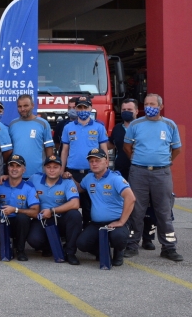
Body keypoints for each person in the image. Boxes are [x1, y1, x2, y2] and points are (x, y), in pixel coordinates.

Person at [123, 93, 183, 262]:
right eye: (147, 103)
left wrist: (165, 161)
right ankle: (132, 245)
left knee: (164, 211)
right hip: (139, 172)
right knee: (136, 210)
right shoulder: (136, 124)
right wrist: (137, 160)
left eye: (152, 104)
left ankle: (169, 248)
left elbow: (177, 149)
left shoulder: (169, 125)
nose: (149, 106)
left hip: (161, 173)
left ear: (160, 106)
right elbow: (127, 146)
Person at [109, 99, 156, 250]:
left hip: (142, 173)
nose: (126, 112)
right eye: (123, 109)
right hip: (122, 173)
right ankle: (129, 238)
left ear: (137, 111)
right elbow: (110, 145)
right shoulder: (117, 128)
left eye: (129, 109)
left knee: (146, 206)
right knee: (127, 205)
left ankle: (148, 238)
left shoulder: (144, 127)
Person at [76, 149, 135, 267]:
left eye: (97, 161)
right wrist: (68, 177)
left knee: (118, 237)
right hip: (97, 223)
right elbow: (78, 189)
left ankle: (119, 252)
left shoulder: (116, 178)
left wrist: (121, 221)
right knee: (82, 244)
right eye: (91, 161)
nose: (94, 163)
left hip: (116, 222)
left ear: (107, 163)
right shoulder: (88, 178)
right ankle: (103, 251)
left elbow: (131, 198)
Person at [27, 154, 83, 265]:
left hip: (61, 218)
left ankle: (70, 252)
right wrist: (6, 178)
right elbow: (20, 186)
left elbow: (75, 203)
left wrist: (52, 211)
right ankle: (48, 247)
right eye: (49, 167)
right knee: (34, 240)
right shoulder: (35, 178)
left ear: (61, 169)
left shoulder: (67, 182)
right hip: (42, 219)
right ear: (44, 168)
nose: (52, 170)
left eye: (55, 167)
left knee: (75, 215)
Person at [61, 96, 108, 227]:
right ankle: (69, 234)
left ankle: (89, 233)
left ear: (91, 108)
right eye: (80, 107)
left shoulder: (99, 127)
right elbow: (65, 150)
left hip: (92, 172)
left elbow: (104, 150)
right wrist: (62, 170)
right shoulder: (68, 127)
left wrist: (105, 169)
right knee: (71, 205)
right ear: (75, 109)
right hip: (72, 172)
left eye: (85, 107)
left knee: (90, 205)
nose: (82, 110)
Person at [0, 155, 40, 261]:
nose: (14, 169)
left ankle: (20, 250)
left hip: (18, 225)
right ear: (7, 168)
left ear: (23, 170)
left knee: (23, 218)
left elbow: (35, 212)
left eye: (18, 166)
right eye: (11, 165)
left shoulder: (29, 187)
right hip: (1, 222)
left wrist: (15, 210)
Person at [8, 94, 55, 179]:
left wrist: (49, 169)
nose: (22, 109)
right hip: (17, 175)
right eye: (19, 106)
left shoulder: (43, 124)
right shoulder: (12, 124)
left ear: (33, 105)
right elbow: (8, 151)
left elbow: (49, 148)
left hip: (38, 174)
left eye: (26, 105)